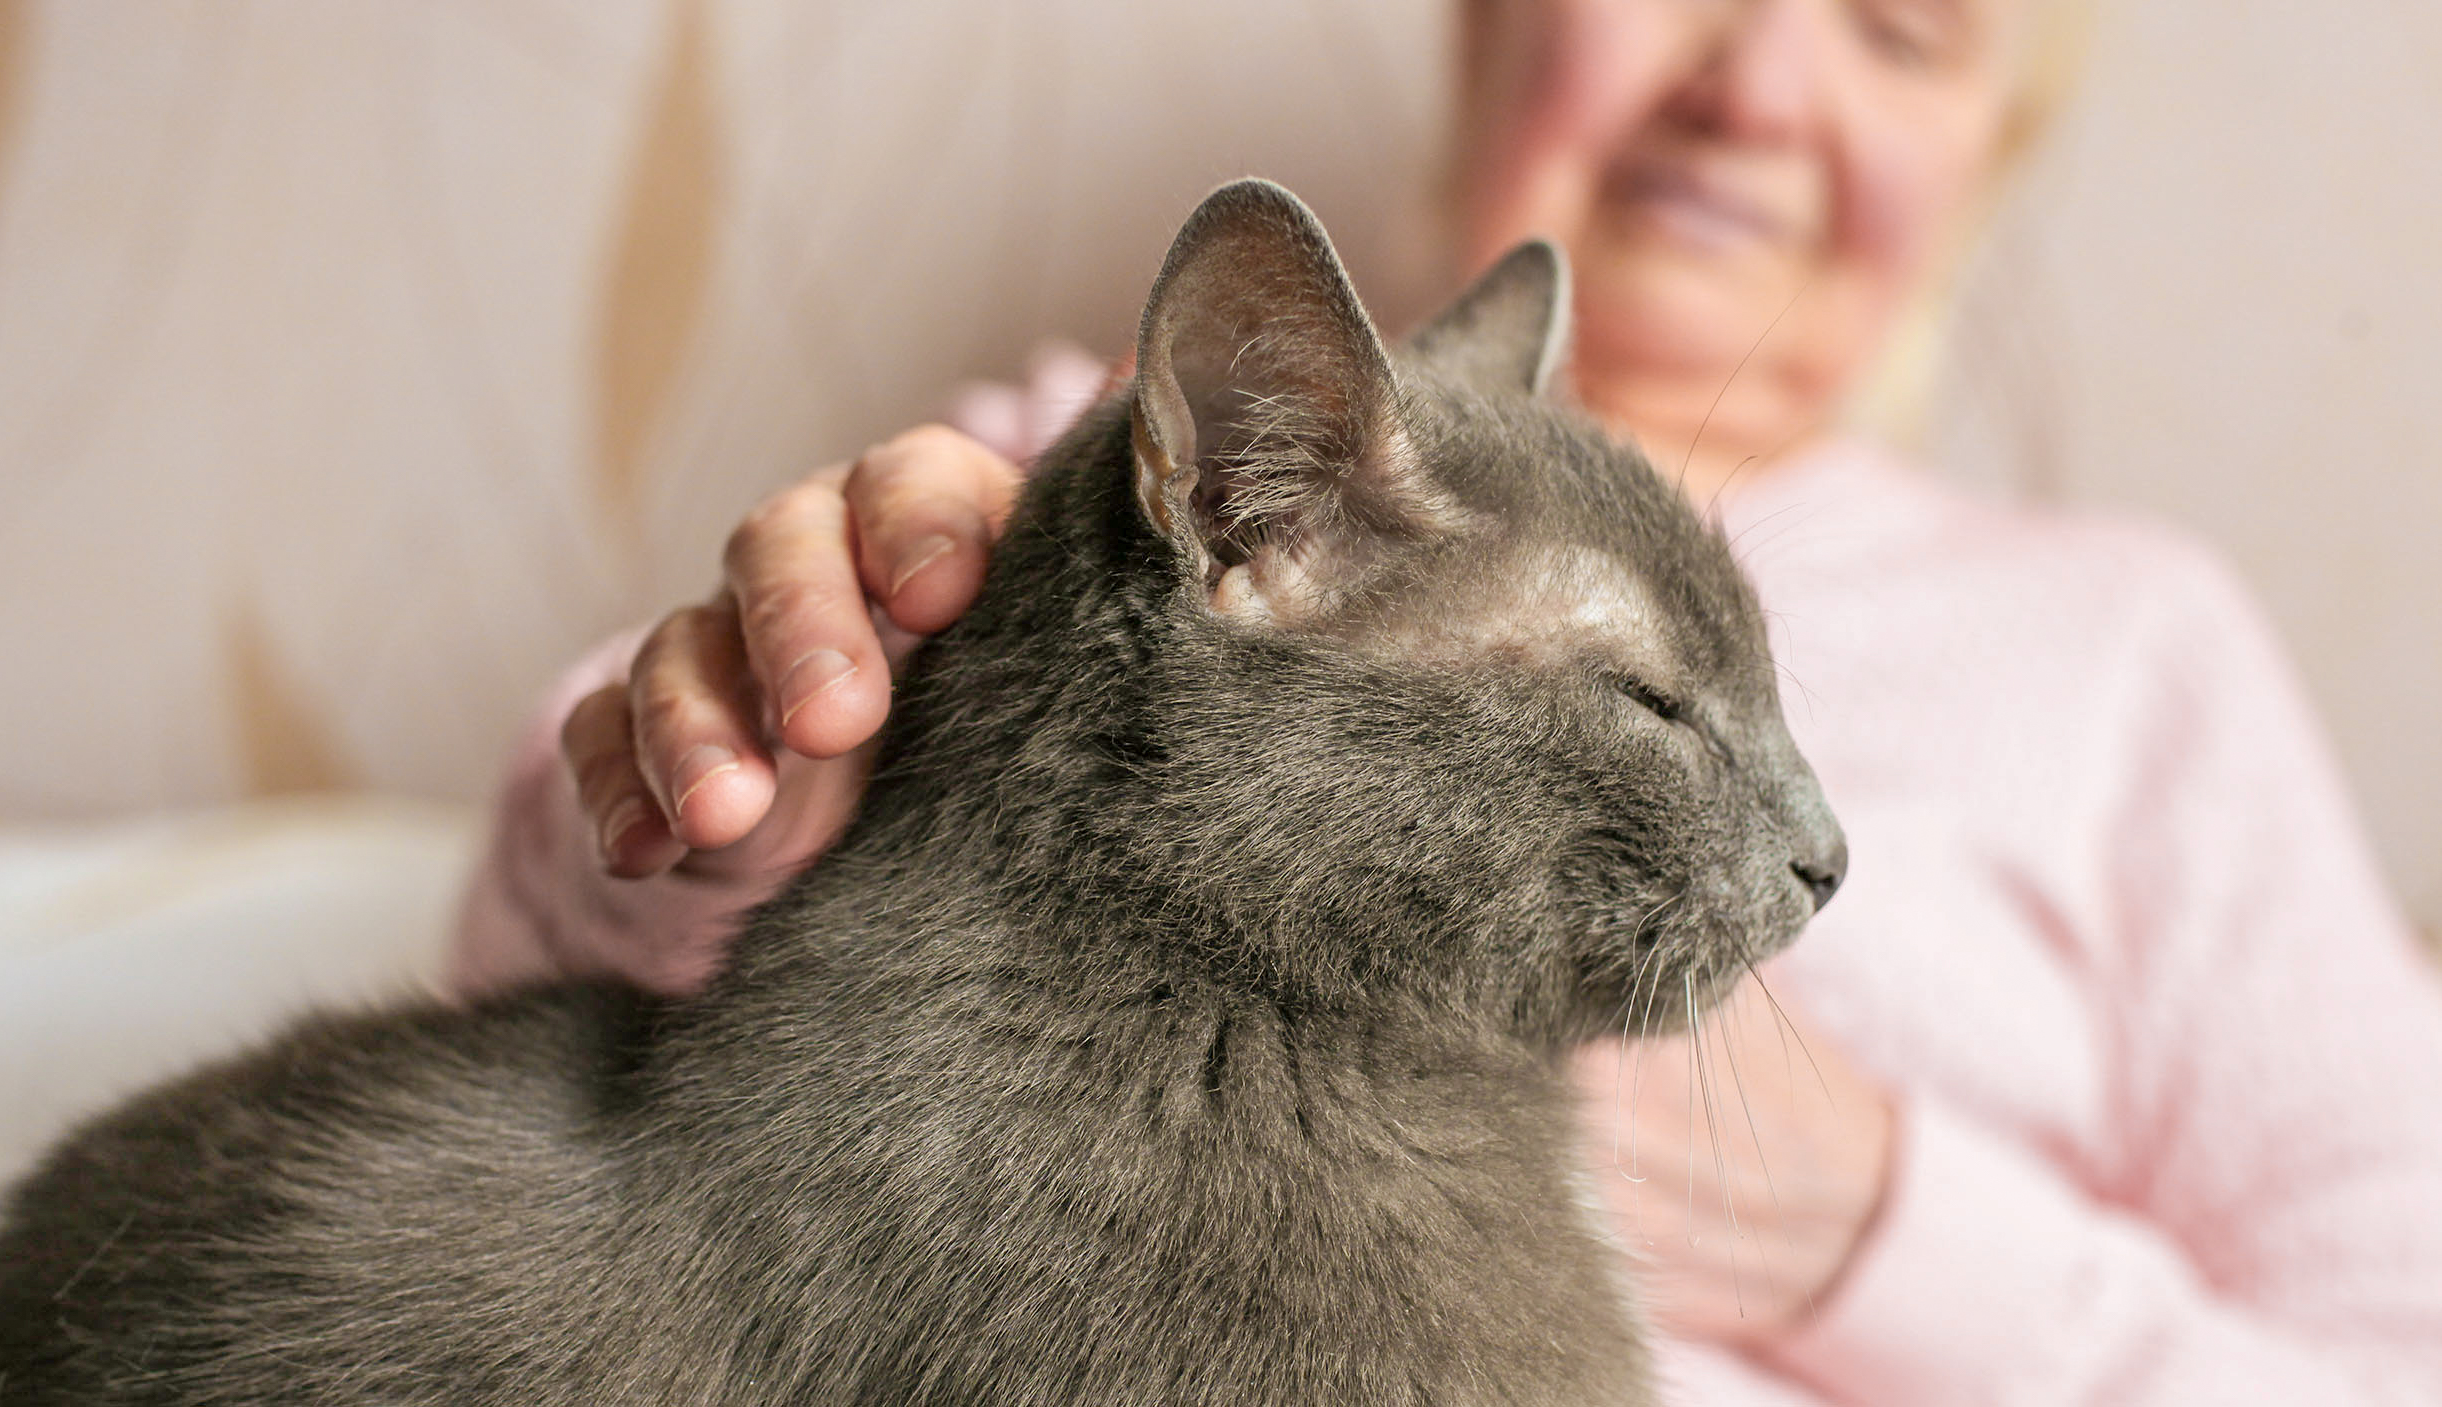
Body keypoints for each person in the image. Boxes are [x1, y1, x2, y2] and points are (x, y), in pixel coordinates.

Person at [453, 1, 2442, 1400]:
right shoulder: (1091, 467)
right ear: (1491, 19)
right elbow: (540, 1033)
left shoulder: (2126, 644)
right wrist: (757, 783)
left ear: (1978, 160)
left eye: (1899, 24)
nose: (1755, 77)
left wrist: (1886, 1242)